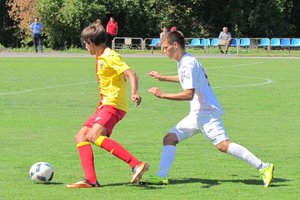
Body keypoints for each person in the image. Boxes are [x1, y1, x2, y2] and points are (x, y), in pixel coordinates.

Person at [140, 30, 274, 187]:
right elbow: (186, 79)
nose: (163, 52)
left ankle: (263, 166)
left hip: (206, 113)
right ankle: (161, 176)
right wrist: (162, 77)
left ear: (175, 45)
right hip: (197, 114)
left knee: (223, 145)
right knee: (169, 139)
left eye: (165, 48)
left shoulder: (187, 63)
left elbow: (188, 94)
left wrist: (162, 95)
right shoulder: (185, 60)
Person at [66, 24, 148, 188]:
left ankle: (136, 164)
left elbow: (132, 74)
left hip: (114, 103)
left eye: (85, 44)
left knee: (94, 136)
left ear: (90, 42)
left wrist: (135, 93)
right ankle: (90, 180)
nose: (85, 47)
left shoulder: (110, 56)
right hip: (105, 104)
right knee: (81, 136)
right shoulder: (101, 55)